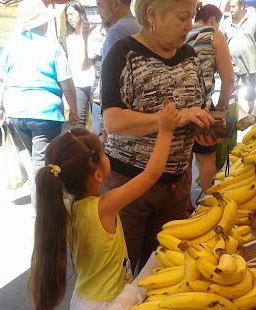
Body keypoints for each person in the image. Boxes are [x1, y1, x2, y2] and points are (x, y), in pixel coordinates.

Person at [28, 104, 181, 310]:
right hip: (106, 306)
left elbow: (51, 263)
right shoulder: (104, 207)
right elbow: (152, 174)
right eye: (104, 153)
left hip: (84, 304)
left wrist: (47, 306)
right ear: (98, 175)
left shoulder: (63, 212)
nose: (107, 155)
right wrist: (165, 130)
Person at [101, 0, 221, 274]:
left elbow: (197, 107)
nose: (189, 25)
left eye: (191, 16)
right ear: (152, 14)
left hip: (176, 188)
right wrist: (168, 120)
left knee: (166, 273)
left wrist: (203, 133)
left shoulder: (190, 56)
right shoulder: (123, 53)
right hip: (130, 188)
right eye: (182, 18)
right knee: (121, 275)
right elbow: (113, 120)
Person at [0, 0, 78, 210]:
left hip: (16, 113)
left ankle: (48, 198)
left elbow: (2, 81)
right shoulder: (52, 46)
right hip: (45, 114)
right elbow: (67, 84)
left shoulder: (11, 45)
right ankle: (41, 211)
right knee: (40, 162)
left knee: (37, 157)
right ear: (42, 23)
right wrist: (74, 111)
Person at [185, 4, 234, 192]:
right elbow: (228, 78)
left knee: (181, 159)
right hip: (202, 108)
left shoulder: (179, 31)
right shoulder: (213, 33)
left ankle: (184, 208)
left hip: (177, 107)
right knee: (206, 159)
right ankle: (209, 206)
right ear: (214, 19)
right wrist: (221, 106)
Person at [96, 0, 140, 141]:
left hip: (120, 119)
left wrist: (105, 123)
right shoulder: (138, 25)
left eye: (99, 5)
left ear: (115, 4)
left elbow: (110, 80)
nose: (98, 12)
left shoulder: (117, 31)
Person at [221, 0, 256, 114]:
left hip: (249, 64)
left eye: (233, 7)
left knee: (250, 91)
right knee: (231, 92)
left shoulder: (254, 19)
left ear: (241, 6)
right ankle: (232, 113)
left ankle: (251, 112)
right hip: (231, 65)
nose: (230, 10)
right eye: (230, 7)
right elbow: (221, 41)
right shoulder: (227, 23)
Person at [64, 1, 103, 129]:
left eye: (71, 14)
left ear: (81, 14)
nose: (69, 18)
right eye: (67, 15)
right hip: (77, 84)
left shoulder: (93, 32)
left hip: (93, 83)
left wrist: (85, 37)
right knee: (79, 122)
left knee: (97, 122)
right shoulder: (69, 37)